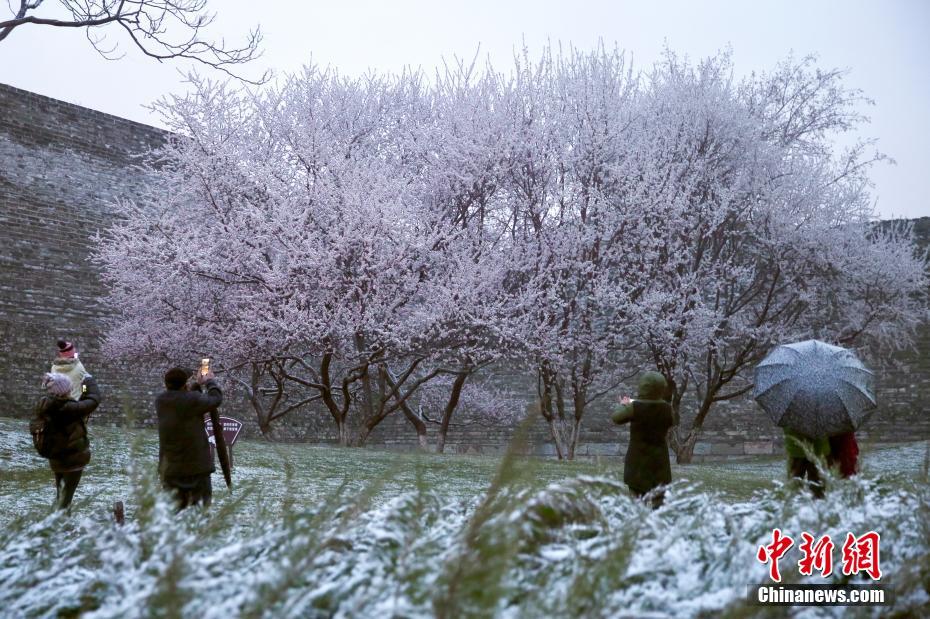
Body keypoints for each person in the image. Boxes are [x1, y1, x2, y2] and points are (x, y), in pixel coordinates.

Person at [155, 366, 222, 510]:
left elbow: (186, 400)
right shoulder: (191, 400)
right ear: (185, 384)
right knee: (199, 512)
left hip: (170, 469)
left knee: (172, 513)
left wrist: (197, 385)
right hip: (196, 469)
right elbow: (215, 399)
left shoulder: (161, 400)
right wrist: (210, 382)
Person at [34, 372, 102, 511]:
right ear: (65, 390)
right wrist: (88, 382)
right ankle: (60, 527)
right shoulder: (68, 408)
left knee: (62, 496)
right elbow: (93, 400)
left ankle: (58, 524)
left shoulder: (49, 404)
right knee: (65, 500)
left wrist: (83, 387)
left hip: (57, 460)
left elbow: (83, 401)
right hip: (71, 462)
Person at [611, 371, 676, 509]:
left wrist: (624, 404)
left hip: (637, 460)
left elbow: (616, 418)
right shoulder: (667, 408)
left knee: (637, 503)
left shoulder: (634, 407)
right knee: (659, 504)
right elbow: (672, 421)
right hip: (659, 462)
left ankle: (638, 527)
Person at [783, 428, 830, 498]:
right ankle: (818, 503)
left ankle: (794, 502)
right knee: (817, 484)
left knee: (795, 483)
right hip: (817, 449)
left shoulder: (792, 418)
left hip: (796, 448)